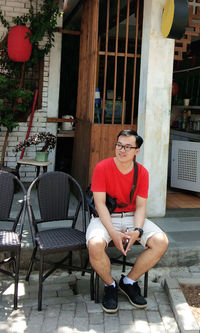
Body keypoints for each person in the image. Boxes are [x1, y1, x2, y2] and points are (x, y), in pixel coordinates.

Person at [86, 129, 169, 313]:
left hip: (133, 217)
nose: (122, 150)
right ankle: (110, 285)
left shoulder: (143, 173)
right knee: (95, 244)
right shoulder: (102, 167)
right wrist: (113, 234)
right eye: (119, 145)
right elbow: (99, 204)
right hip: (105, 217)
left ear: (136, 151)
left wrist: (138, 230)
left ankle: (129, 281)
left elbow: (140, 207)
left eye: (127, 147)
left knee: (161, 241)